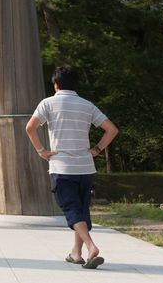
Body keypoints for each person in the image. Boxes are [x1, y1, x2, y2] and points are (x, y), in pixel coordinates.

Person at [26, 65, 118, 270]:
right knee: (81, 210)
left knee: (71, 209)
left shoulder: (47, 103)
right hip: (86, 167)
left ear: (55, 84)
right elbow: (111, 130)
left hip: (62, 166)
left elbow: (30, 127)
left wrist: (41, 150)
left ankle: (91, 246)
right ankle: (76, 254)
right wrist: (96, 149)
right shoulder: (87, 105)